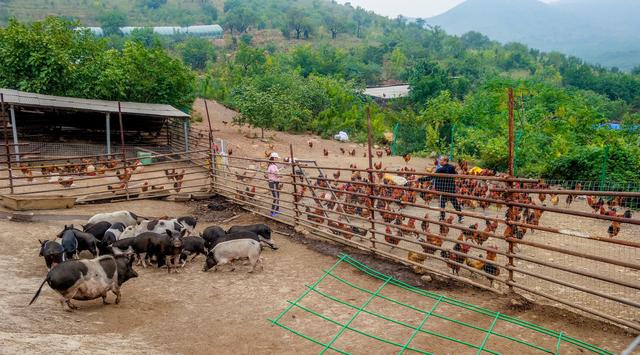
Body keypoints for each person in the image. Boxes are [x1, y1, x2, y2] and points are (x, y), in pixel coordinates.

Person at [418, 155, 463, 223]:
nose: (439, 161)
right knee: (455, 203)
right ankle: (461, 217)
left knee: (442, 204)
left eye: (441, 160)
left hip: (443, 189)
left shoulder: (440, 170)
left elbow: (431, 177)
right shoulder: (451, 167)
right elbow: (456, 174)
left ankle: (442, 218)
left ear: (445, 161)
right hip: (451, 188)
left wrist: (421, 179)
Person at [266, 152, 281, 217]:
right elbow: (277, 174)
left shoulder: (272, 165)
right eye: (276, 158)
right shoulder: (273, 166)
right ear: (274, 158)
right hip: (273, 183)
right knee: (276, 197)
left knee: (277, 196)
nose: (277, 159)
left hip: (274, 182)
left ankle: (277, 209)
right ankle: (272, 212)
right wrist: (281, 175)